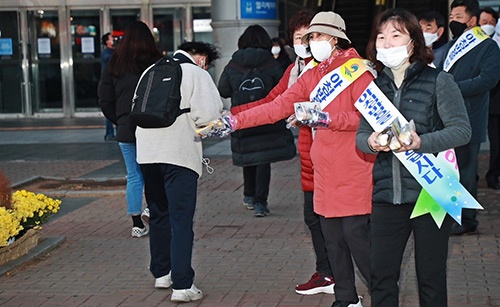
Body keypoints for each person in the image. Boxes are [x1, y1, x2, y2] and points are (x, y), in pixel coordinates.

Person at [216, 11, 376, 307]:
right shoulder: (311, 75)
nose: (312, 42)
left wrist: (327, 118)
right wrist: (235, 120)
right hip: (323, 170)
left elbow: (369, 119)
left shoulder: (359, 72)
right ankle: (346, 299)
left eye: (318, 36)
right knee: (332, 238)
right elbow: (277, 107)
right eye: (310, 36)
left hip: (354, 166)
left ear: (336, 38)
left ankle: (383, 295)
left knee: (356, 235)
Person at [356, 8, 472, 306]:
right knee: (381, 276)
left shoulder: (439, 81)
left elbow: (462, 130)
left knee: (431, 277)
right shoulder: (374, 88)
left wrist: (422, 142)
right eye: (381, 37)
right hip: (386, 197)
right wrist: (370, 141)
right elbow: (361, 137)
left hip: (432, 193)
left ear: (414, 42)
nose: (387, 43)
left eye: (396, 35)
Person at [230, 9, 334, 295]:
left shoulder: (334, 70)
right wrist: (233, 116)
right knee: (313, 217)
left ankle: (361, 275)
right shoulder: (295, 70)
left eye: (311, 36)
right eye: (299, 37)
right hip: (307, 152)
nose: (305, 42)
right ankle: (327, 272)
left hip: (332, 155)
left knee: (341, 223)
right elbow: (274, 102)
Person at [136, 41, 223, 303]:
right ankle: (183, 285)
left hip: (148, 154)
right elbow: (209, 115)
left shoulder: (150, 69)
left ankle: (162, 273)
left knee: (159, 213)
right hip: (179, 155)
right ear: (202, 58)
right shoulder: (197, 73)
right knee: (181, 219)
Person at [218, 25, 296, 217]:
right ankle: (261, 202)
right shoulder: (271, 63)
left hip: (242, 116)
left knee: (249, 155)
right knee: (264, 160)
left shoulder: (233, 64)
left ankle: (249, 195)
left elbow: (223, 90)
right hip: (266, 118)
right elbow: (283, 89)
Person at [439, 0, 500, 235]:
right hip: (445, 117)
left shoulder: (487, 47)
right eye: (451, 16)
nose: (453, 20)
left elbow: (488, 80)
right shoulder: (453, 45)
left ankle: (467, 219)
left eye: (458, 16)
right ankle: (448, 213)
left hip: (469, 118)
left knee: (465, 171)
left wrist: (453, 88)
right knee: (447, 169)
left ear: (472, 20)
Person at [98, 21, 161, 238]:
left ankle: (136, 224)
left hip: (126, 128)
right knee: (155, 173)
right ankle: (152, 210)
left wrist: (120, 120)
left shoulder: (114, 64)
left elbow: (104, 99)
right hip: (153, 128)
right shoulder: (157, 63)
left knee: (134, 176)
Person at [479, 7, 500, 190]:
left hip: (496, 102)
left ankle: (494, 174)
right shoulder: (473, 44)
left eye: (491, 23)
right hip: (480, 101)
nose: (488, 26)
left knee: (497, 143)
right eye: (484, 22)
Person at [100, 32, 116, 142]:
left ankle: (115, 133)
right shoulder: (106, 53)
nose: (114, 40)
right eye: (112, 38)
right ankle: (109, 133)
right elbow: (110, 61)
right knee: (110, 108)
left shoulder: (115, 52)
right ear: (107, 41)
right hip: (109, 84)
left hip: (115, 82)